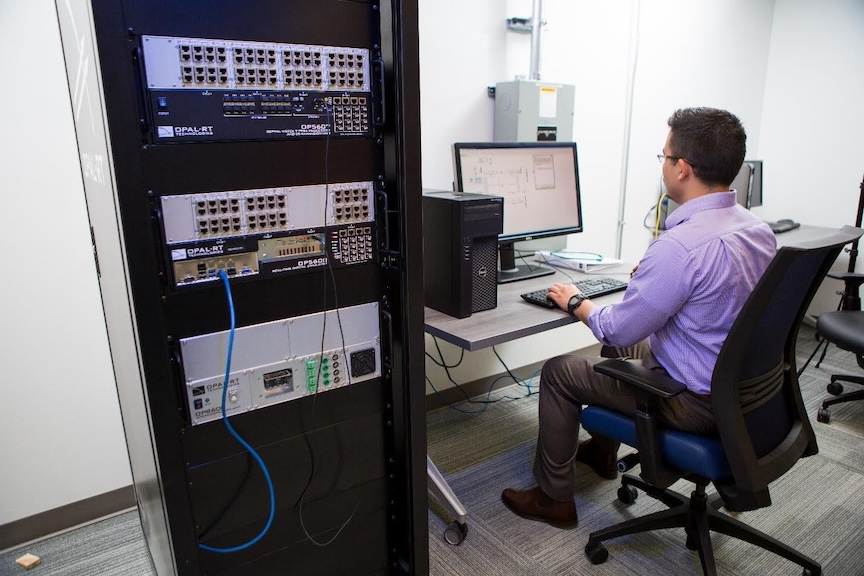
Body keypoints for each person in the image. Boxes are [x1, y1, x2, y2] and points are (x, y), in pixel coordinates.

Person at [501, 107, 777, 529]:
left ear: (682, 168)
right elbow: (720, 294)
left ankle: (553, 498)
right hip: (742, 387)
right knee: (622, 348)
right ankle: (603, 452)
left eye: (664, 156)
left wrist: (576, 302)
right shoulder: (756, 230)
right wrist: (654, 281)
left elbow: (616, 327)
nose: (663, 164)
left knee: (559, 372)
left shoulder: (680, 247)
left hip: (693, 401)